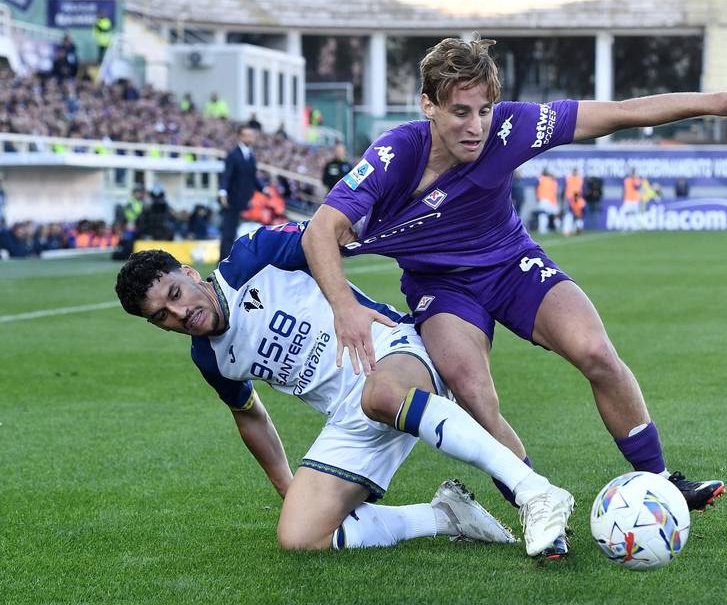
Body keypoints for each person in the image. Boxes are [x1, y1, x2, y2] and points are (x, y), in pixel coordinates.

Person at [303, 35, 727, 552]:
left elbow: (621, 113)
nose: (476, 126)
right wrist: (344, 308)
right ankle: (541, 511)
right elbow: (319, 232)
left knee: (597, 352)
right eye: (460, 112)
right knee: (474, 395)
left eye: (484, 110)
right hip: (442, 288)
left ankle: (660, 480)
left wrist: (718, 102)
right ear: (428, 106)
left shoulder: (511, 127)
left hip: (512, 264)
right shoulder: (396, 153)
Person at [114, 223, 573, 556]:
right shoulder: (210, 359)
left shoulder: (254, 257)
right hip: (349, 416)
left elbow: (332, 236)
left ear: (191, 275)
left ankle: (536, 492)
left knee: (380, 395)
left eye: (174, 296)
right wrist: (290, 490)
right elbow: (249, 414)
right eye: (161, 317)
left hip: (392, 351)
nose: (177, 315)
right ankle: (445, 516)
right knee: (300, 537)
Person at [219, 125, 263, 259]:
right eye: (247, 135)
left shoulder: (251, 155)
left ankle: (241, 259)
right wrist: (223, 192)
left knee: (246, 232)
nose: (251, 138)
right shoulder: (233, 155)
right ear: (240, 136)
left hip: (246, 200)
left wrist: (264, 189)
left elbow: (252, 176)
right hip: (233, 200)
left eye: (252, 135)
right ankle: (223, 261)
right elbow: (226, 175)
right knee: (229, 232)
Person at [535, 169, 559, 235]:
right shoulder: (545, 179)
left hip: (547, 200)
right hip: (545, 199)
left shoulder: (546, 179)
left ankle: (544, 228)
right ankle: (542, 229)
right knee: (544, 214)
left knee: (545, 214)